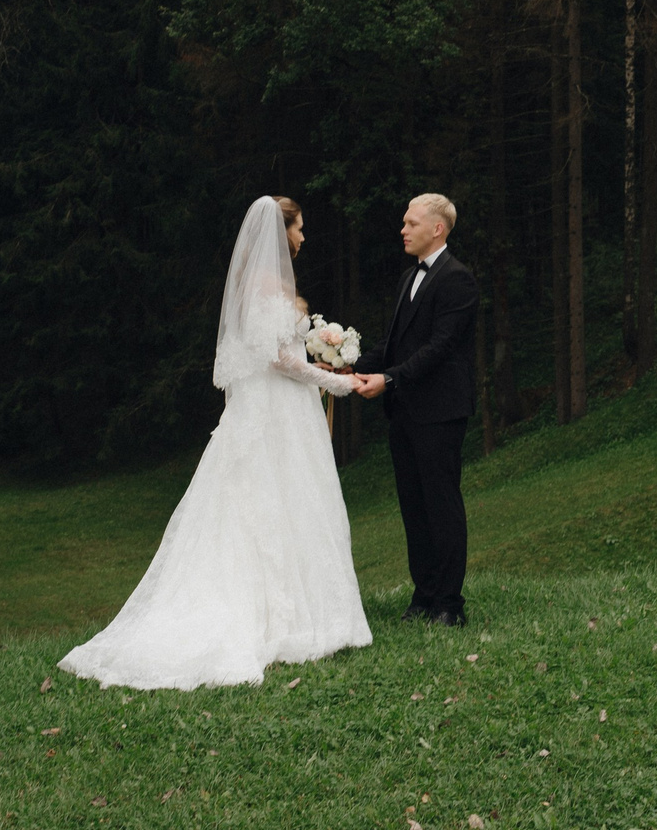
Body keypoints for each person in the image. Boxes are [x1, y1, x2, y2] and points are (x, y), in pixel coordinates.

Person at [59, 196, 372, 689]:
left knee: (267, 504)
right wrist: (334, 381)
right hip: (278, 410)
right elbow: (280, 360)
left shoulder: (256, 285)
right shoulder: (272, 286)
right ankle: (281, 620)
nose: (303, 238)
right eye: (299, 228)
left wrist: (319, 356)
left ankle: (287, 612)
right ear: (280, 231)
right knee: (278, 502)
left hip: (265, 409)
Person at [354, 192, 478, 625]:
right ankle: (423, 596)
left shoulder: (458, 279)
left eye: (410, 223)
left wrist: (388, 379)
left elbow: (439, 349)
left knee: (441, 505)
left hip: (440, 411)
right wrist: (345, 367)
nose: (402, 230)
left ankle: (450, 604)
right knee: (413, 506)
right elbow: (394, 344)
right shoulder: (409, 278)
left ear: (437, 228)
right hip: (405, 411)